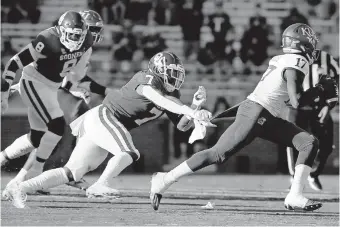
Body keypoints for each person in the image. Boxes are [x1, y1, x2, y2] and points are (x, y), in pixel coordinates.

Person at [4, 51, 213, 208]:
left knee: (72, 172)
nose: (176, 79)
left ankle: (19, 188)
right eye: (172, 73)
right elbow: (158, 98)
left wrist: (195, 107)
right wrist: (192, 111)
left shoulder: (171, 98)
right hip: (106, 116)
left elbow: (182, 125)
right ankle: (100, 185)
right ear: (159, 70)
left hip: (105, 123)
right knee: (129, 152)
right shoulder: (146, 79)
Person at [150, 23, 323, 212]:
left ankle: (295, 195)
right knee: (217, 154)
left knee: (308, 143)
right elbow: (296, 101)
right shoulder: (297, 61)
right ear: (301, 43)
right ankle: (164, 179)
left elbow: (290, 100)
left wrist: (317, 92)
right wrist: (320, 90)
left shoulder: (286, 59)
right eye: (310, 40)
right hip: (256, 112)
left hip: (264, 114)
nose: (312, 44)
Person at [1, 10, 110, 195]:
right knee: (55, 130)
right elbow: (29, 65)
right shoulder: (50, 39)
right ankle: (34, 177)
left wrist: (78, 87)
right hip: (45, 87)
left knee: (38, 137)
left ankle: (26, 173)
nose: (91, 34)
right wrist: (9, 89)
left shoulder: (86, 44)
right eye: (91, 29)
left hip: (53, 87)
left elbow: (72, 76)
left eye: (88, 31)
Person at [285, 50, 339, 191]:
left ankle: (313, 174)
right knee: (292, 142)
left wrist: (328, 105)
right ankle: (295, 176)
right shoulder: (289, 59)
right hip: (297, 107)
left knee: (326, 144)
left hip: (320, 107)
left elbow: (336, 81)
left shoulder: (326, 58)